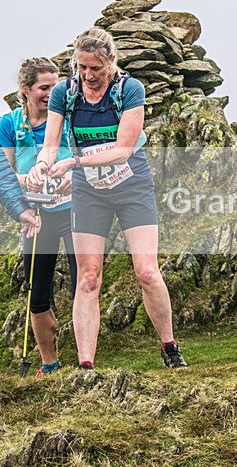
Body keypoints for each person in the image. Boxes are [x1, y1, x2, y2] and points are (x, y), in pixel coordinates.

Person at [28, 27, 187, 370]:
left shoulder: (130, 89)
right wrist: (43, 165)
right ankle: (86, 365)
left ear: (112, 61)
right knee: (88, 276)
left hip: (131, 185)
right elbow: (51, 145)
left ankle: (170, 347)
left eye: (96, 68)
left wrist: (75, 162)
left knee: (145, 270)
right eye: (82, 67)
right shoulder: (64, 93)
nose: (88, 76)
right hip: (90, 192)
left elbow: (123, 150)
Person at [0, 57, 77, 377]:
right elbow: (5, 173)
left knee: (85, 286)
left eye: (55, 87)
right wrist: (23, 210)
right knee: (37, 293)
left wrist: (73, 174)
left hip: (75, 210)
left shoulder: (67, 119)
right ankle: (50, 364)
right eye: (44, 88)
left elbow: (84, 156)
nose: (50, 93)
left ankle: (87, 360)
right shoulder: (9, 124)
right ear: (25, 89)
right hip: (36, 216)